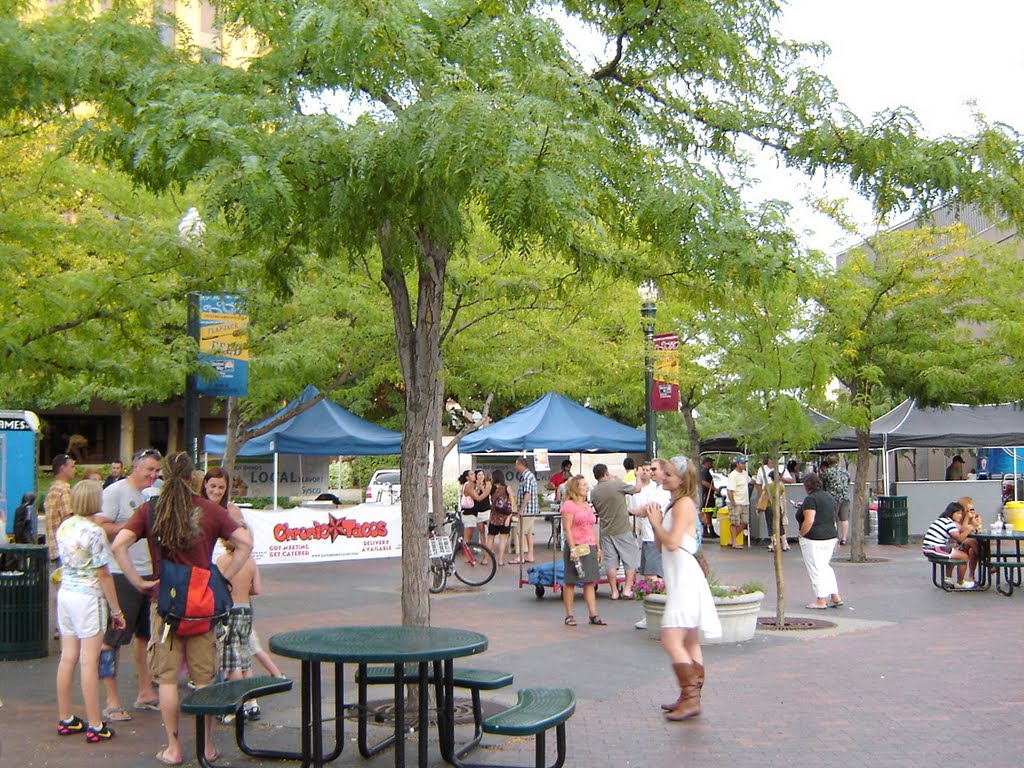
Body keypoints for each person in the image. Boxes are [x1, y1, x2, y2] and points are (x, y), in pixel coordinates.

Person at [112, 452, 252, 767]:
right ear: (195, 479)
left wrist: (137, 581)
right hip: (203, 605)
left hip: (165, 606)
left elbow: (119, 544)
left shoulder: (150, 509)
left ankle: (174, 748)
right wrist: (221, 579)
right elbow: (245, 543)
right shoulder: (211, 511)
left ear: (164, 476)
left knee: (167, 679)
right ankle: (207, 748)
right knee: (204, 679)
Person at [633, 456, 721, 721]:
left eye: (669, 475)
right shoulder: (676, 503)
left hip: (684, 577)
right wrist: (654, 520)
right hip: (680, 575)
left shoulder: (683, 504)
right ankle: (689, 696)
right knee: (690, 638)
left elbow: (670, 543)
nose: (664, 478)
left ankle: (690, 696)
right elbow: (664, 545)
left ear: (682, 479)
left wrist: (657, 523)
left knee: (671, 637)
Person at [54, 480, 126, 743]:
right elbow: (104, 574)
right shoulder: (94, 532)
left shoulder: (65, 526)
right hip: (89, 597)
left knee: (68, 657)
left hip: (66, 594)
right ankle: (95, 724)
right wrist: (116, 611)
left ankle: (66, 718)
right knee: (89, 660)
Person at [95, 448, 162, 720]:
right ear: (135, 467)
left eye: (157, 471)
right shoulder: (115, 492)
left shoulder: (156, 493)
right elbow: (100, 525)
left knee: (146, 637)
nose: (153, 475)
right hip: (121, 574)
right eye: (149, 470)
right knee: (114, 637)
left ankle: (145, 692)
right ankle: (111, 700)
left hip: (150, 573)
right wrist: (134, 525)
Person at [216, 523, 259, 722]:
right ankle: (253, 703)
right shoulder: (251, 562)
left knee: (231, 660)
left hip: (229, 611)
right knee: (245, 657)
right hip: (246, 610)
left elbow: (216, 588)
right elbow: (256, 589)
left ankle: (236, 705)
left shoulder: (222, 561)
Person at [560, 475, 605, 626]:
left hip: (589, 545)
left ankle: (593, 614)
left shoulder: (587, 505)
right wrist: (572, 549)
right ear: (575, 488)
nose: (586, 487)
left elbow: (592, 528)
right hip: (576, 546)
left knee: (589, 581)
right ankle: (569, 615)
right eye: (583, 485)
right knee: (571, 581)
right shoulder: (569, 506)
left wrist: (598, 548)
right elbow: (567, 529)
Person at [590, 463, 641, 598]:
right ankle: (627, 589)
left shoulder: (594, 492)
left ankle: (613, 591)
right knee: (629, 558)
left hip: (606, 530)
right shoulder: (616, 485)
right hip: (622, 528)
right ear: (606, 473)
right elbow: (637, 489)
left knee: (610, 562)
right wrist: (638, 477)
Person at [795, 473, 844, 609]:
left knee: (815, 568)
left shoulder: (811, 499)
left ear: (807, 486)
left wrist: (801, 534)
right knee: (825, 566)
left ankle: (820, 600)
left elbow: (809, 520)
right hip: (830, 536)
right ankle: (835, 596)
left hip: (814, 538)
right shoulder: (829, 497)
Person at [632, 461, 670, 630]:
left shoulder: (663, 491)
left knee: (654, 577)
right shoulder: (653, 489)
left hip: (656, 538)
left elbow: (647, 509)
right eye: (648, 470)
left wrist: (638, 510)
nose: (651, 472)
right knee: (649, 576)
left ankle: (657, 613)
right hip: (648, 537)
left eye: (654, 469)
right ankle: (654, 613)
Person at [46, 454, 77, 638]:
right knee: (69, 588)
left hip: (54, 546)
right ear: (63, 468)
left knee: (60, 589)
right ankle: (66, 627)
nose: (74, 470)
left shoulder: (52, 490)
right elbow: (69, 519)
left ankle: (60, 626)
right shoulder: (65, 490)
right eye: (72, 466)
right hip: (67, 549)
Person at [922, 501, 977, 588]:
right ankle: (960, 583)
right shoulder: (949, 523)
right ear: (951, 513)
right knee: (964, 556)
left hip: (930, 548)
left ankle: (948, 579)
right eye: (958, 513)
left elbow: (961, 529)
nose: (960, 516)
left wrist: (969, 525)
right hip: (934, 548)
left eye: (961, 514)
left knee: (956, 552)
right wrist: (971, 527)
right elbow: (959, 538)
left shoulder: (943, 520)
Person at [755, 458, 789, 552]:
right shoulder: (781, 487)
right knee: (780, 526)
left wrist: (759, 508)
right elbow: (784, 500)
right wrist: (784, 510)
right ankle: (784, 544)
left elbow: (762, 498)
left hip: (769, 508)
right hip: (778, 507)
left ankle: (774, 544)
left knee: (771, 527)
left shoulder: (767, 487)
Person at [510, 457, 538, 565]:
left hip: (527, 510)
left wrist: (521, 509)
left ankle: (520, 556)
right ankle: (530, 554)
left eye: (516, 465)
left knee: (520, 532)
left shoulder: (526, 477)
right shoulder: (529, 476)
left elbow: (527, 494)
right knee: (528, 533)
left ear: (521, 465)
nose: (515, 467)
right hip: (531, 510)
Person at [820, 454, 851, 545]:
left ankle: (834, 537)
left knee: (833, 518)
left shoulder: (826, 473)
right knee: (844, 519)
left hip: (832, 498)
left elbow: (822, 485)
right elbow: (848, 481)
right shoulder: (845, 471)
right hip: (845, 497)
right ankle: (844, 538)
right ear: (838, 461)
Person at [487, 470, 515, 566]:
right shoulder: (507, 488)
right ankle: (500, 560)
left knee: (490, 538)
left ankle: (486, 559)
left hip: (494, 518)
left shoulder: (491, 489)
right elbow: (512, 503)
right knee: (503, 539)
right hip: (505, 518)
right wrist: (510, 516)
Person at [726, 456, 750, 549]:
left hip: (744, 502)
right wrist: (733, 503)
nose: (744, 465)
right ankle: (734, 542)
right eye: (742, 463)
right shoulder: (733, 475)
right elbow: (729, 491)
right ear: (737, 464)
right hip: (736, 502)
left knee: (744, 522)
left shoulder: (744, 474)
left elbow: (750, 481)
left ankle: (732, 539)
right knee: (734, 522)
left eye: (744, 463)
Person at [698, 457, 718, 540]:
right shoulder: (704, 471)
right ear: (706, 463)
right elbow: (703, 482)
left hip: (709, 495)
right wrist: (714, 488)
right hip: (706, 494)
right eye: (710, 462)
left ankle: (711, 530)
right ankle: (706, 530)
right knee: (706, 512)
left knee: (709, 512)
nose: (712, 464)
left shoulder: (707, 472)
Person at [472, 469, 492, 544]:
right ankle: (483, 546)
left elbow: (486, 493)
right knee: (481, 530)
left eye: (482, 475)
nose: (480, 476)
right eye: (479, 475)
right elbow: (474, 495)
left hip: (486, 509)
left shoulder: (487, 484)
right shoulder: (473, 485)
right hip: (478, 510)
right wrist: (477, 487)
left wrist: (481, 487)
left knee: (490, 530)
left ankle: (489, 546)